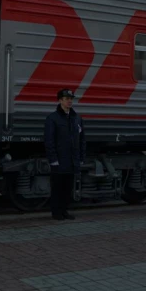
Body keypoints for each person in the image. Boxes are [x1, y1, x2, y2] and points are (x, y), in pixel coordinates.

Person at [44, 88, 86, 221]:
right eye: (67, 99)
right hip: (59, 160)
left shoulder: (77, 118)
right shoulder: (52, 118)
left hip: (72, 160)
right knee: (57, 188)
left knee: (68, 188)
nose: (69, 101)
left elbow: (82, 140)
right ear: (60, 100)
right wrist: (53, 160)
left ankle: (64, 211)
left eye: (71, 99)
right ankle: (56, 213)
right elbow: (49, 141)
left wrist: (81, 158)